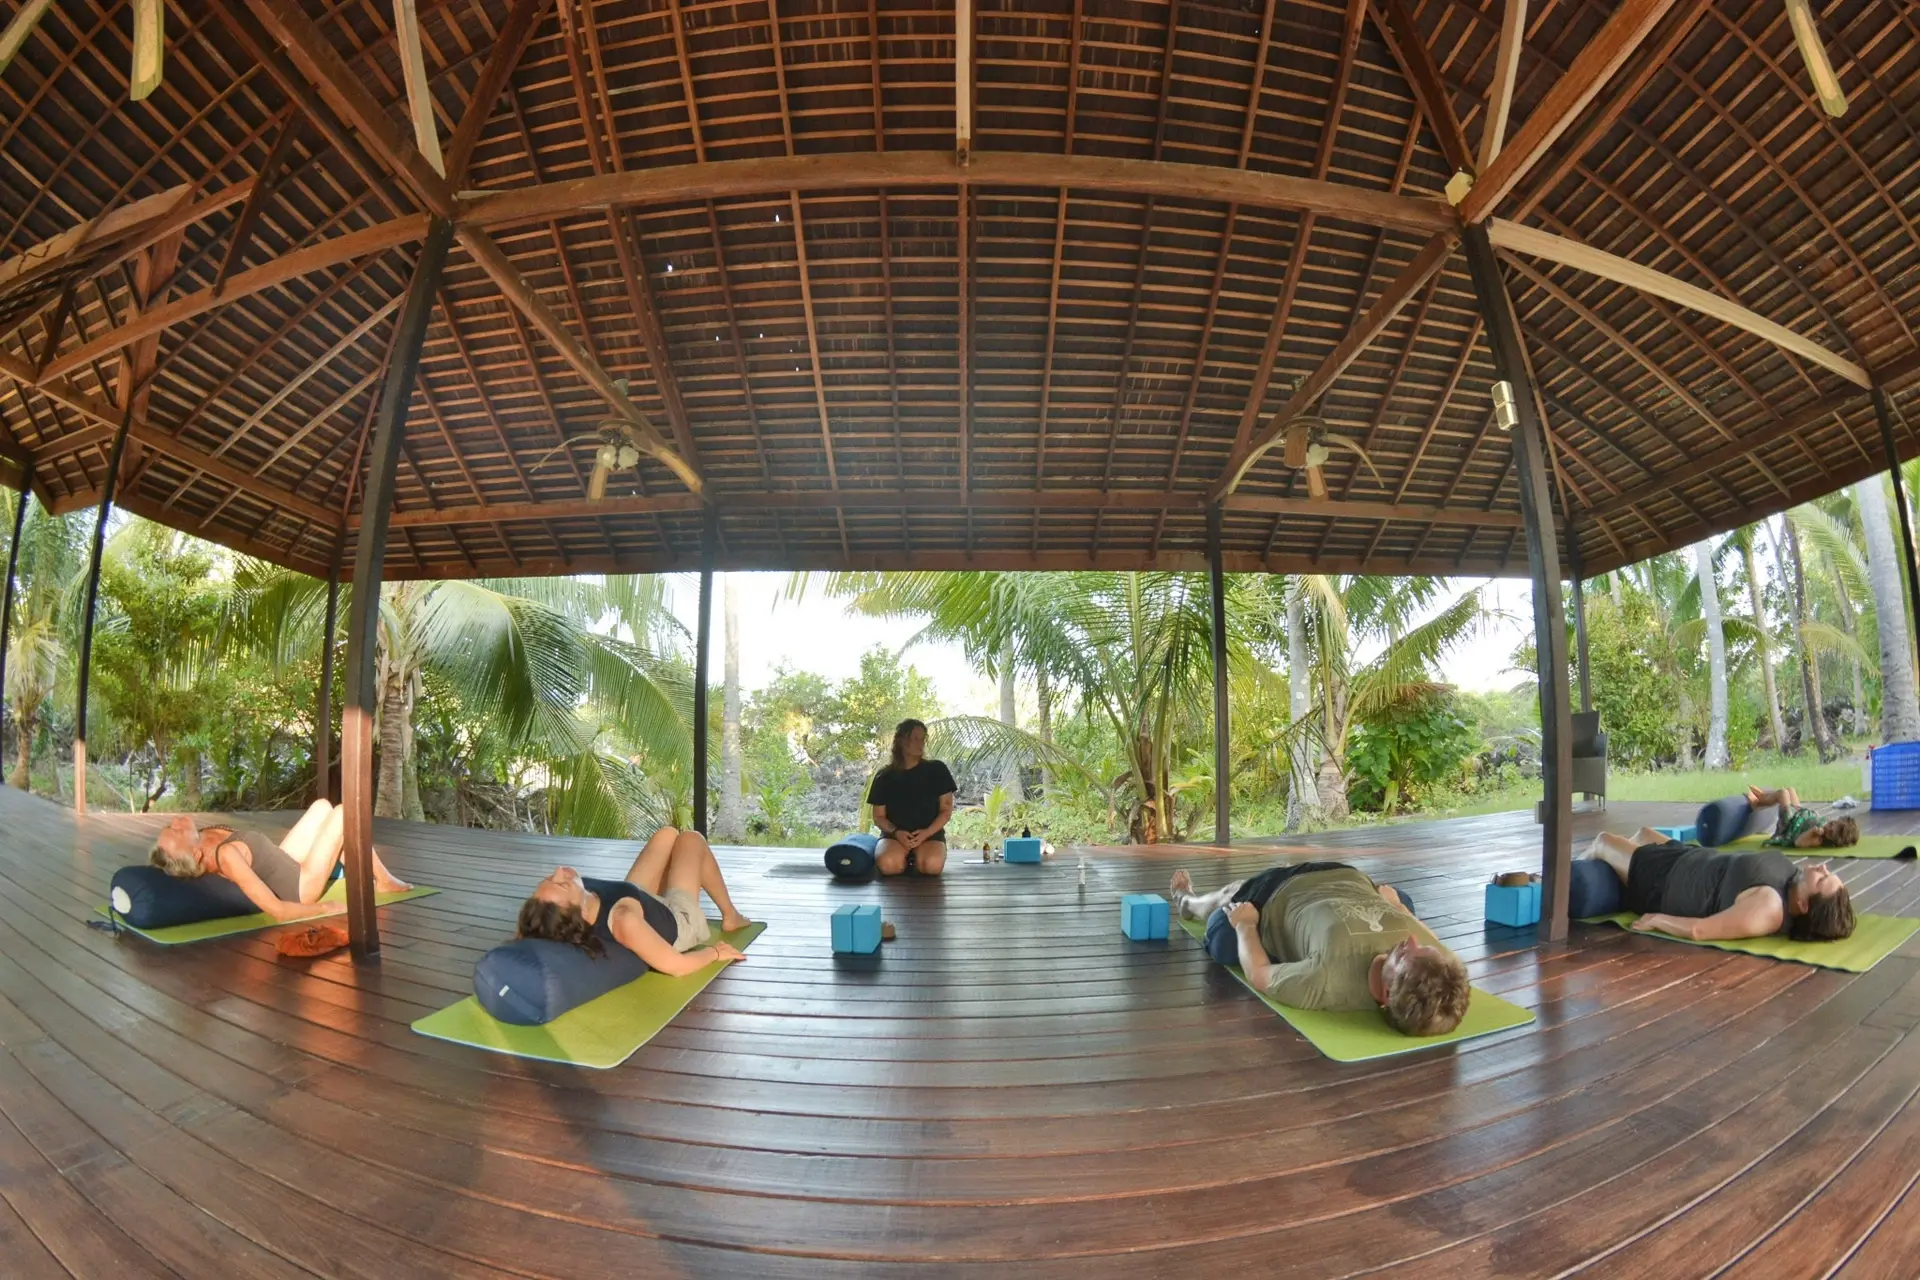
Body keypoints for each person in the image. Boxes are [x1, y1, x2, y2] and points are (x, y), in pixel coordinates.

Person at [1170, 862, 1471, 1036]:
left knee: (1223, 933)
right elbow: (1435, 942)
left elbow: (1259, 974)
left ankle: (1187, 901)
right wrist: (1399, 907)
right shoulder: (1433, 965)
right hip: (1347, 875)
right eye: (1422, 948)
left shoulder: (1326, 982)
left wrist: (1247, 925)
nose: (1412, 941)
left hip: (1280, 891)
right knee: (1405, 897)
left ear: (1387, 993)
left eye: (1404, 955)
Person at [517, 826, 749, 976]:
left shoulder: (565, 907)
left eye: (549, 878)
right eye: (562, 883)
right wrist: (715, 953)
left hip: (634, 898)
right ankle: (731, 916)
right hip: (677, 921)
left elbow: (530, 928)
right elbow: (676, 966)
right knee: (691, 839)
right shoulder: (623, 921)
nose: (559, 871)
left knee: (666, 835)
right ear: (580, 911)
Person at [1573, 826, 1855, 942]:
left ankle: (1562, 876)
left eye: (1824, 879)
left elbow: (1700, 930)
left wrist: (1657, 920)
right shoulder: (1794, 881)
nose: (1823, 867)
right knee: (1644, 833)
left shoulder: (1769, 909)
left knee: (1602, 842)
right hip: (1690, 858)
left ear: (1804, 905)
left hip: (1665, 882)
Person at [147, 799, 412, 922]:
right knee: (344, 815)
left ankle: (372, 869)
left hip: (282, 860)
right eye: (177, 832)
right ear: (195, 855)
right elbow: (278, 910)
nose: (177, 823)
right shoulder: (226, 857)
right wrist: (325, 908)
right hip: (299, 888)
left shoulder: (204, 839)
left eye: (171, 827)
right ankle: (384, 880)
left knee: (322, 807)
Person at [866, 718, 956, 877]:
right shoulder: (884, 776)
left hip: (929, 835)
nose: (919, 743)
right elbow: (878, 816)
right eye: (914, 738)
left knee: (932, 866)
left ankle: (922, 855)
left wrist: (926, 833)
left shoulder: (937, 769)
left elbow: (946, 810)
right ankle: (903, 858)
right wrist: (896, 832)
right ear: (901, 741)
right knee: (888, 865)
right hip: (895, 836)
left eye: (922, 739)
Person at [1741, 785, 1859, 849]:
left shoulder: (1818, 839)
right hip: (1799, 816)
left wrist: (1812, 831)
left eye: (1831, 833)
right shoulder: (1826, 824)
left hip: (1789, 825)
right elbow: (1814, 819)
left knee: (1783, 793)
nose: (1828, 828)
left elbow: (1798, 843)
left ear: (1832, 840)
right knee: (1790, 790)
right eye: (1832, 824)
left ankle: (1760, 801)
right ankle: (1765, 797)